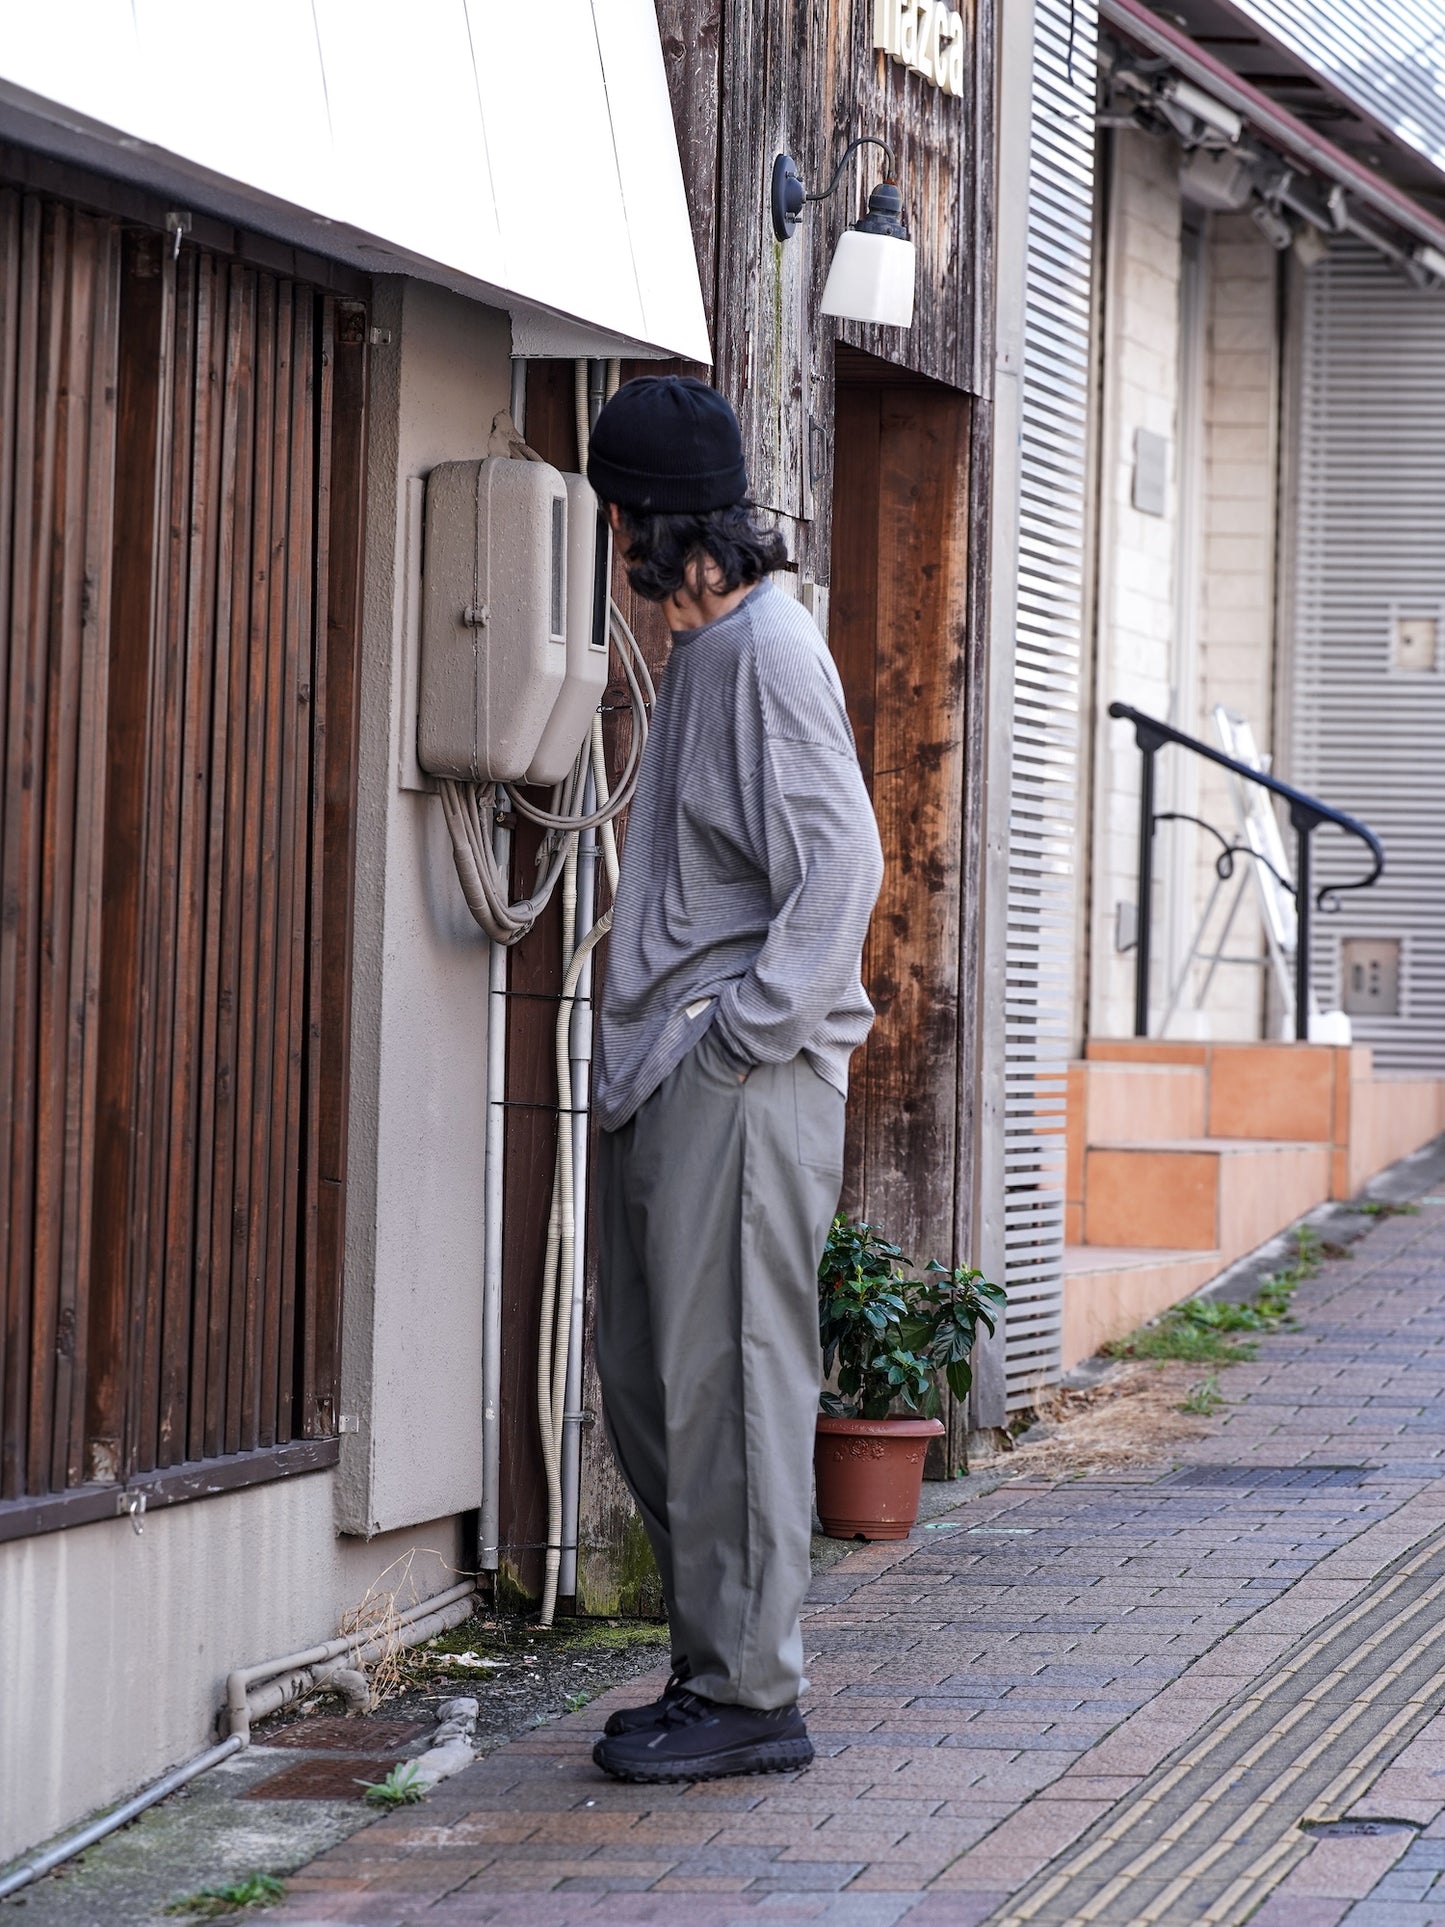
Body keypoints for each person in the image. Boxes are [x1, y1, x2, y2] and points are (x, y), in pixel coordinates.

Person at [585, 376, 884, 1784]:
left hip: (737, 1079)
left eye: (613, 517)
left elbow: (842, 865)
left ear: (640, 523)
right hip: (677, 1071)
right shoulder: (713, 651)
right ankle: (713, 1668)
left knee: (736, 1386)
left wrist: (741, 1034)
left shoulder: (767, 651)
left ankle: (754, 1694)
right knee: (658, 1391)